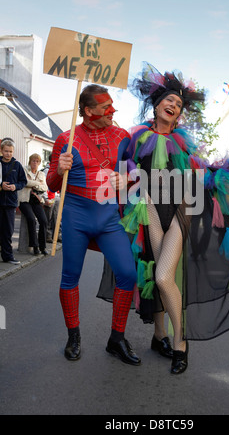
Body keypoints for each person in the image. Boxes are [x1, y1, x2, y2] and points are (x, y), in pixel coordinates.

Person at [103, 62, 229, 375]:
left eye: (179, 104)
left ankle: (181, 342)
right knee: (157, 272)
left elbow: (198, 177)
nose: (173, 105)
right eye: (169, 100)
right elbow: (120, 175)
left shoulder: (184, 143)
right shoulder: (136, 139)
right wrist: (123, 180)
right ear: (155, 104)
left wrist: (226, 181)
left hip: (181, 211)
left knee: (162, 277)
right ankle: (160, 336)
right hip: (149, 209)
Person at [46, 84, 140, 365]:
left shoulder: (123, 136)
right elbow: (52, 183)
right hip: (76, 216)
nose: (113, 110)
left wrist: (129, 179)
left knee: (127, 274)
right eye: (105, 106)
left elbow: (135, 170)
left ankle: (117, 339)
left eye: (112, 104)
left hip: (109, 218)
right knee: (69, 276)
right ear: (88, 111)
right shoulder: (66, 139)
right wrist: (60, 169)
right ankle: (73, 335)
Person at [0, 138, 27, 264]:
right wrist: (1, 185)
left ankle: (8, 257)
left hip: (10, 203)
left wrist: (15, 186)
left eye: (10, 151)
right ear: (1, 150)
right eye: (6, 151)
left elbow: (23, 182)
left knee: (8, 231)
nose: (8, 154)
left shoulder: (17, 165)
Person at [18, 154, 49, 256]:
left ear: (39, 163)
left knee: (43, 221)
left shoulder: (41, 174)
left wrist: (34, 184)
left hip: (36, 200)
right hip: (24, 200)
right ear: (29, 162)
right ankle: (35, 247)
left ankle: (42, 247)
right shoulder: (24, 170)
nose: (35, 163)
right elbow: (25, 182)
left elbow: (45, 187)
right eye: (33, 161)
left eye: (37, 161)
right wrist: (37, 183)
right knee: (31, 220)